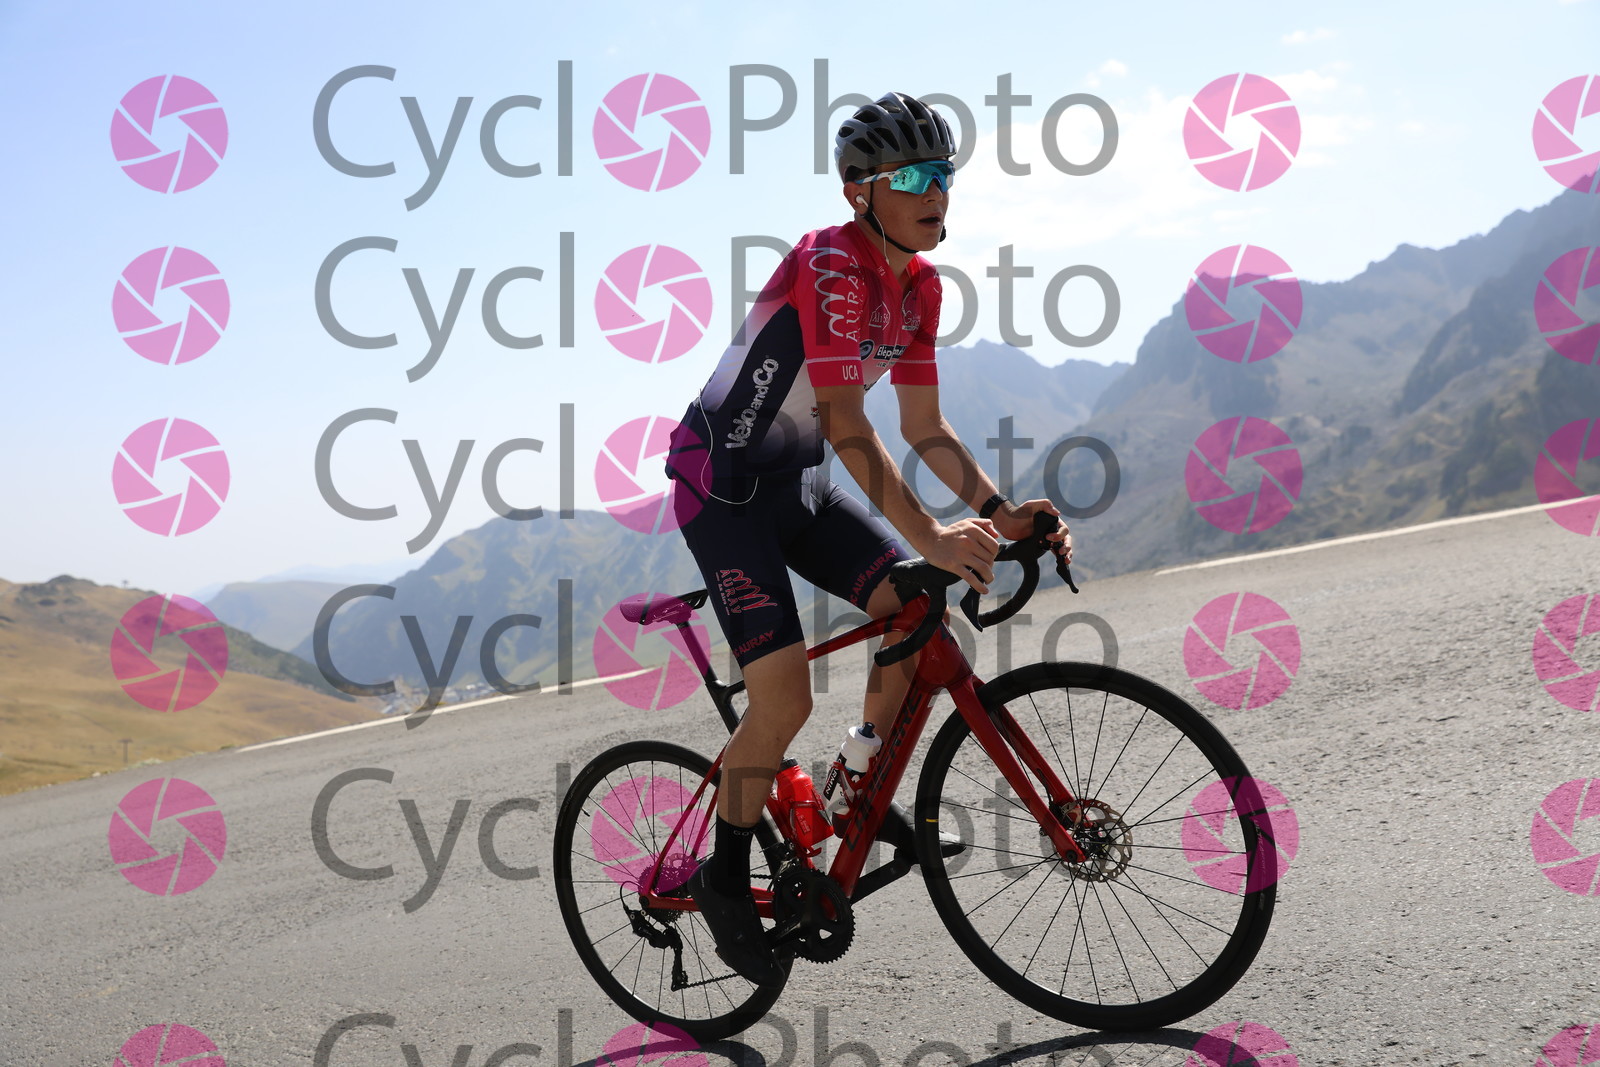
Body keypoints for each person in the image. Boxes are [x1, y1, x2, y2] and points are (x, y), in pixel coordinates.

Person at [664, 91, 1072, 984]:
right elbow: (849, 420)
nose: (938, 193)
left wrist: (1000, 511)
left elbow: (924, 424)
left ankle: (853, 785)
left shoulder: (921, 287)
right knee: (783, 700)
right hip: (721, 488)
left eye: (944, 175)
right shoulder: (831, 264)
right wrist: (932, 532)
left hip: (797, 482)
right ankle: (722, 875)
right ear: (861, 191)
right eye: (915, 177)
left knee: (921, 611)